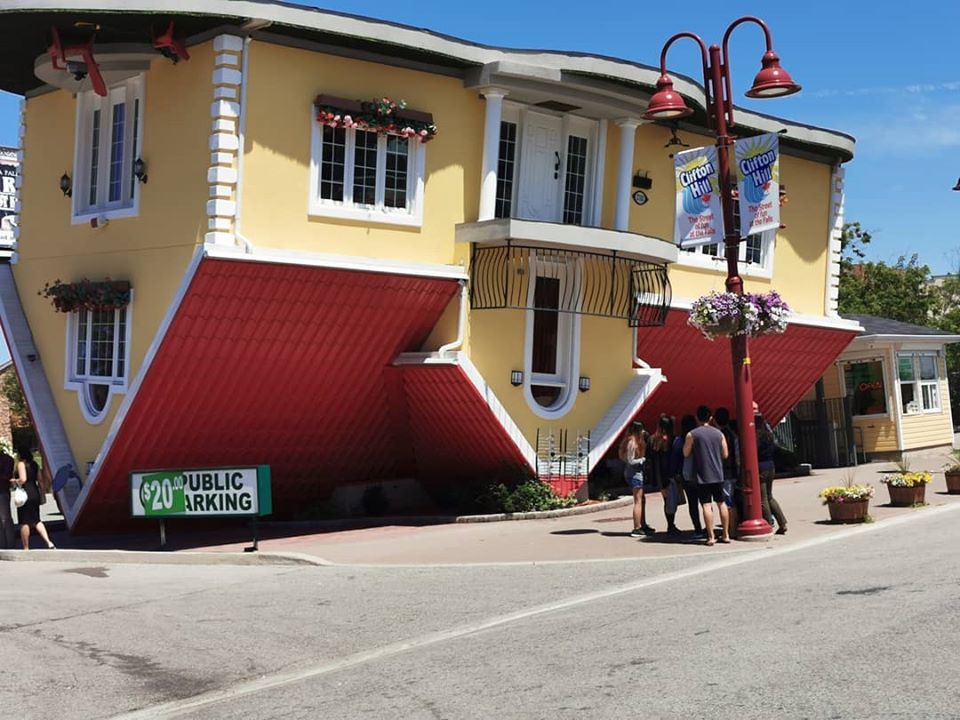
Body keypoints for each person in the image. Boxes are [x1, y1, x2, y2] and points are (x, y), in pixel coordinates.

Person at [684, 405, 730, 546]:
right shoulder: (719, 434)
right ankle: (726, 534)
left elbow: (685, 453)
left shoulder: (692, 434)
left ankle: (710, 537)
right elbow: (725, 454)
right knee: (721, 503)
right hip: (718, 473)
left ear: (697, 418)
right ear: (710, 418)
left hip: (702, 475)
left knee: (706, 505)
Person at [13, 445, 55, 550]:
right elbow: (40, 480)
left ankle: (26, 547)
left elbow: (23, 479)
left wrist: (14, 481)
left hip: (25, 494)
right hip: (35, 492)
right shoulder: (34, 464)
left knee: (24, 521)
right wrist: (43, 493)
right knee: (37, 520)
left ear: (20, 455)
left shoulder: (21, 464)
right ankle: (49, 542)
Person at [755, 402, 787, 534]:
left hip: (761, 466)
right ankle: (782, 522)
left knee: (763, 499)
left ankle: (768, 523)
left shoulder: (756, 436)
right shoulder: (768, 434)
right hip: (770, 465)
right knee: (769, 496)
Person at [674, 414, 704, 538]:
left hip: (687, 475)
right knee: (705, 502)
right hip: (702, 474)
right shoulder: (698, 438)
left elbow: (676, 458)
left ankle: (697, 528)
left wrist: (676, 473)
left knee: (693, 504)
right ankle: (709, 526)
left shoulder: (679, 440)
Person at [649, 414, 680, 535]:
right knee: (671, 500)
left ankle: (670, 525)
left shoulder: (653, 439)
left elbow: (650, 457)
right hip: (669, 474)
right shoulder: (671, 439)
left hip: (658, 474)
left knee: (667, 500)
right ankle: (671, 525)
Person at [619, 421, 651, 538]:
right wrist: (642, 460)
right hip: (634, 474)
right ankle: (636, 528)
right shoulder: (632, 443)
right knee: (638, 501)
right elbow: (631, 460)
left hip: (636, 473)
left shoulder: (636, 440)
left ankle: (643, 524)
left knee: (642, 500)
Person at [712, 407, 741, 534]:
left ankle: (731, 529)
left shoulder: (719, 435)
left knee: (728, 501)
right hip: (734, 470)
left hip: (724, 471)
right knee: (731, 499)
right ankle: (732, 527)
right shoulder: (733, 434)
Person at [0, 449, 15, 548]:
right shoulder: (7, 459)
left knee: (5, 519)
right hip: (3, 490)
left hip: (2, 491)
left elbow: (7, 475)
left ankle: (9, 545)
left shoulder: (6, 459)